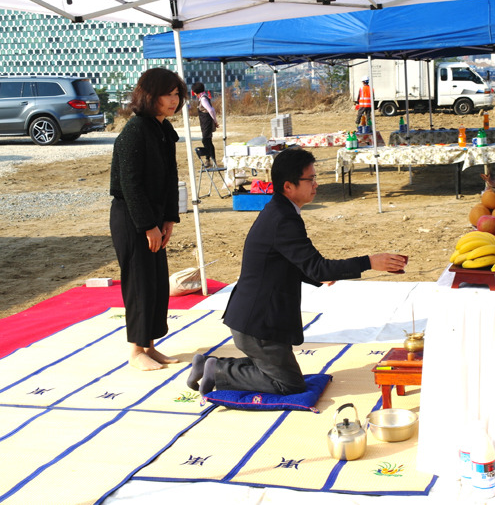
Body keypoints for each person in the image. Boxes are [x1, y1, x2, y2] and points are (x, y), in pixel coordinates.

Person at [187, 149, 406, 396]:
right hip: (257, 322)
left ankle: (212, 366)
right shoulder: (284, 218)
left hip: (254, 317)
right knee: (289, 385)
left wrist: (316, 275)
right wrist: (369, 262)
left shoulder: (280, 211)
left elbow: (289, 262)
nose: (316, 184)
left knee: (280, 374)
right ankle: (217, 369)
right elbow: (317, 266)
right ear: (288, 186)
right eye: (310, 179)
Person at [109, 68, 188, 371]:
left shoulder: (162, 129)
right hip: (132, 217)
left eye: (176, 94)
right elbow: (130, 184)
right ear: (149, 96)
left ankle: (150, 345)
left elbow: (170, 178)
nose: (174, 100)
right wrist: (148, 226)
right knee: (139, 283)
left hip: (153, 216)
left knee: (156, 283)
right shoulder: (135, 130)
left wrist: (168, 218)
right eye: (167, 94)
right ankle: (135, 350)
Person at [191, 82, 218, 167]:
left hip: (207, 123)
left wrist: (215, 121)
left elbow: (211, 110)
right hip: (204, 123)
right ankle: (209, 159)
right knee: (207, 141)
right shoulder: (202, 98)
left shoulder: (203, 99)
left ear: (196, 92)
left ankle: (211, 160)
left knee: (206, 140)